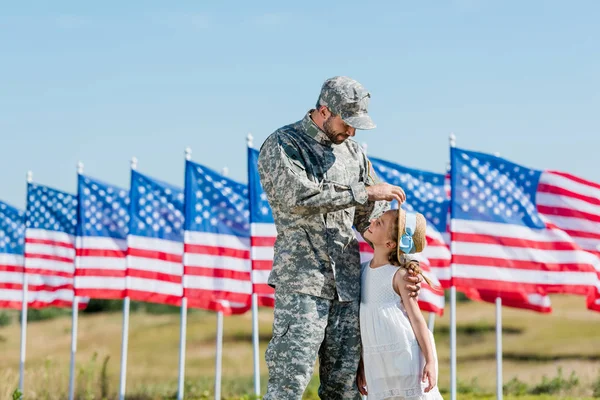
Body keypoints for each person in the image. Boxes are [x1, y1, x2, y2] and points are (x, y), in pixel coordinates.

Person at [257, 76, 423, 400]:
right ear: (324, 110)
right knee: (289, 382)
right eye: (347, 123)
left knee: (345, 388)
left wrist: (401, 265)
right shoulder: (283, 145)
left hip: (347, 287)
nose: (351, 132)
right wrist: (362, 191)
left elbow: (370, 222)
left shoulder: (354, 154)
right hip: (303, 282)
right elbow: (298, 197)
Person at [357, 207, 443, 400]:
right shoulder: (361, 272)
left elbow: (417, 320)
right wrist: (362, 364)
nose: (372, 222)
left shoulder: (399, 275)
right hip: (377, 362)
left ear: (390, 243)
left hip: (405, 356)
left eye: (379, 223)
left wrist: (430, 361)